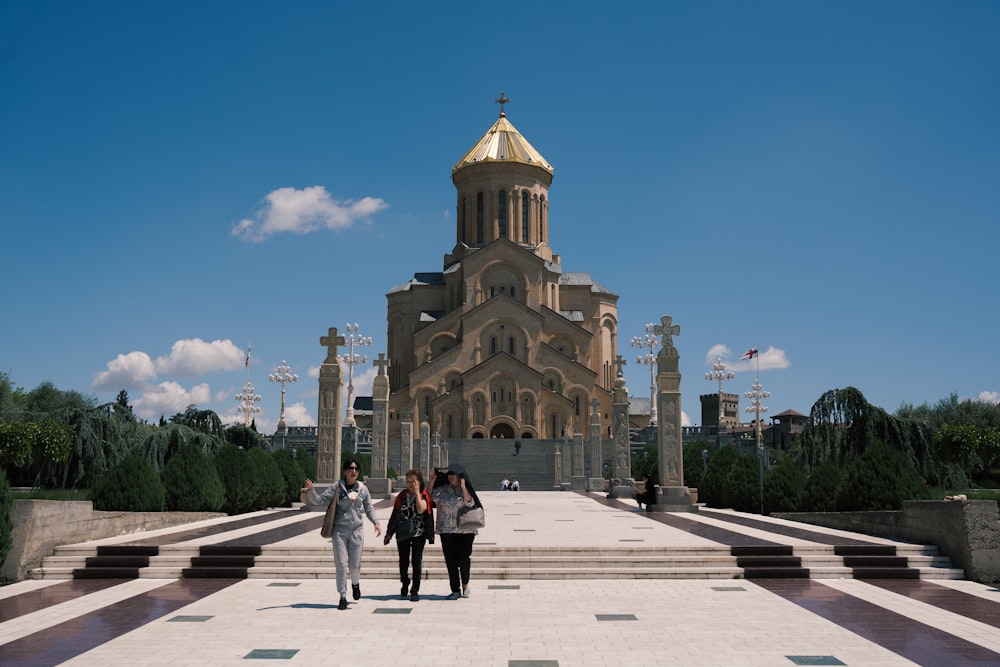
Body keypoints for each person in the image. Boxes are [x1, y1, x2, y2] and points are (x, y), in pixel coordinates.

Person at [305, 458, 381, 610]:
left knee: (355, 565)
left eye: (356, 469)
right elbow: (319, 500)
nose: (354, 471)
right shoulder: (337, 487)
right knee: (341, 564)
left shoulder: (362, 489)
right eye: (351, 469)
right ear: (345, 471)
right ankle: (342, 596)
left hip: (357, 530)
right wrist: (311, 490)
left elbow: (369, 508)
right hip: (339, 530)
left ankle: (355, 583)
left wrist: (376, 522)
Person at [430, 464, 482, 600]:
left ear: (460, 476)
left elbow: (470, 502)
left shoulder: (465, 490)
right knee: (450, 561)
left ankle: (465, 586)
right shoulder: (442, 490)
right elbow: (428, 498)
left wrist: (464, 486)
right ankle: (455, 589)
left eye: (454, 474)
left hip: (465, 530)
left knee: (463, 559)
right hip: (447, 530)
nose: (451, 477)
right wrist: (431, 481)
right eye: (449, 474)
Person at [383, 468, 434, 602]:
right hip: (403, 531)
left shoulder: (424, 495)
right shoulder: (402, 495)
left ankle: (415, 589)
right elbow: (395, 515)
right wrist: (389, 533)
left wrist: (417, 493)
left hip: (418, 532)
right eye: (408, 481)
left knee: (416, 561)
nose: (410, 484)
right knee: (403, 561)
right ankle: (405, 582)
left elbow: (420, 509)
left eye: (413, 481)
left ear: (419, 482)